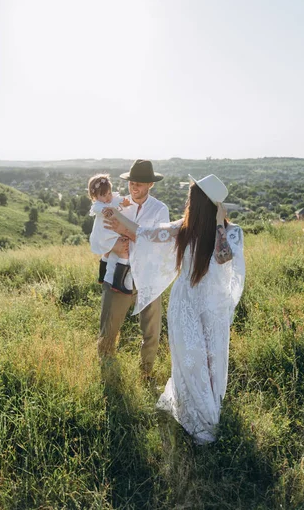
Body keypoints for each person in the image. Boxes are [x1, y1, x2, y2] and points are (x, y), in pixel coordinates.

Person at [103, 174, 245, 444]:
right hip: (185, 305)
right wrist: (118, 220)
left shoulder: (232, 232)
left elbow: (223, 256)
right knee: (189, 360)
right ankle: (198, 417)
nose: (187, 201)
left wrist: (218, 225)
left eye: (192, 196)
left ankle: (208, 411)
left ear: (203, 203)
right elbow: (146, 234)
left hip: (213, 308)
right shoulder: (184, 228)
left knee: (213, 360)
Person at [90, 159, 170, 377]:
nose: (135, 187)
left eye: (140, 183)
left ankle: (146, 373)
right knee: (108, 328)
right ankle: (107, 374)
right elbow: (96, 240)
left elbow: (158, 245)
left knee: (151, 330)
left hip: (148, 277)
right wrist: (114, 245)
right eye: (132, 182)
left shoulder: (160, 210)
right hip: (117, 274)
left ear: (150, 185)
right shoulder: (116, 205)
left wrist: (126, 232)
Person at [87, 173, 132, 294]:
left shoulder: (110, 199)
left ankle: (102, 277)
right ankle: (118, 283)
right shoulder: (98, 206)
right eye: (103, 195)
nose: (108, 197)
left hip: (108, 234)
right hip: (105, 235)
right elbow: (106, 211)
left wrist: (124, 202)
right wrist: (114, 207)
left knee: (107, 252)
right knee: (124, 253)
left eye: (109, 193)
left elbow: (118, 200)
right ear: (95, 196)